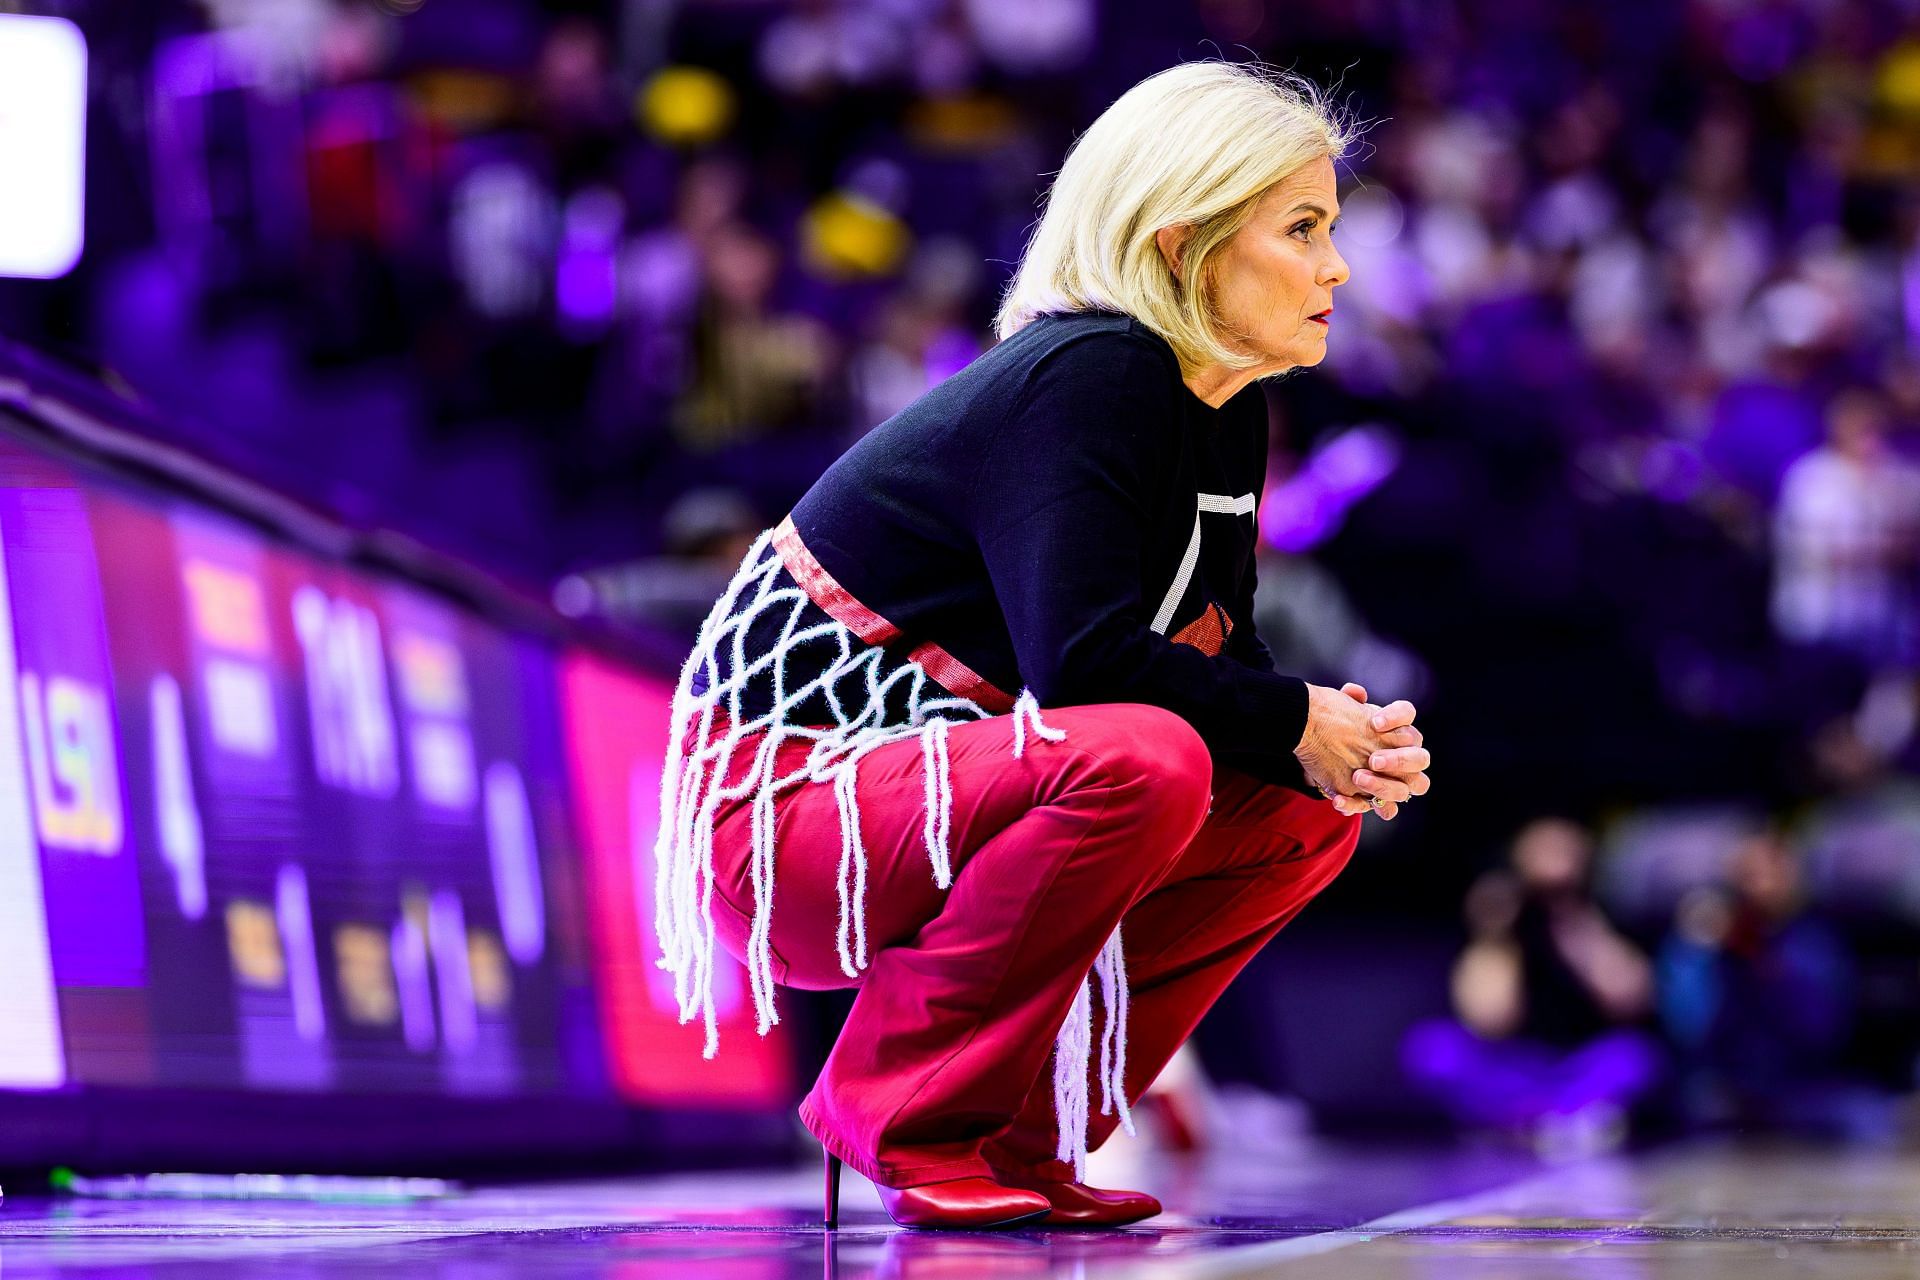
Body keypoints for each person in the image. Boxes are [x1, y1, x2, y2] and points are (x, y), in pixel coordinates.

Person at [652, 61, 1432, 1231]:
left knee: (1302, 804)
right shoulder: (1092, 371)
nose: (1339, 267)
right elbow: (1086, 664)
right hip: (776, 812)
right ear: (1184, 247)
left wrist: (1341, 740)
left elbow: (1225, 655)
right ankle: (899, 1111)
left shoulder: (1225, 406)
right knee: (1146, 756)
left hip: (920, 790)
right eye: (1306, 227)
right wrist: (1290, 718)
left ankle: (1031, 1123)